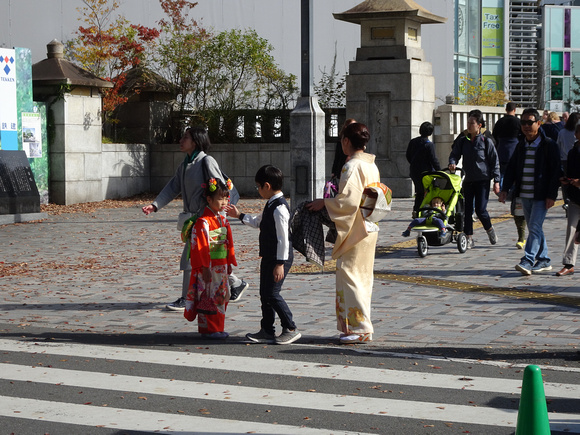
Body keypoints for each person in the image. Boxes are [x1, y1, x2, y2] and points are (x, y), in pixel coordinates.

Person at [142, 126, 248, 311]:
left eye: (185, 137)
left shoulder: (207, 161)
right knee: (209, 258)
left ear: (196, 141)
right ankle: (235, 283)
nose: (181, 140)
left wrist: (218, 217)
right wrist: (155, 205)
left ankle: (186, 298)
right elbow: (173, 187)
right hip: (195, 221)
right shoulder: (184, 165)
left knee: (191, 257)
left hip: (207, 220)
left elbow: (220, 191)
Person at [306, 122, 380, 344]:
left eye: (342, 140)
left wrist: (325, 202)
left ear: (346, 141)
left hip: (355, 227)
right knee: (362, 276)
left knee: (350, 274)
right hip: (368, 224)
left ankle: (360, 327)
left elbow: (347, 202)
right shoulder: (370, 165)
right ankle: (356, 325)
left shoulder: (352, 167)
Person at [226, 165, 301, 345]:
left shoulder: (279, 208)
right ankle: (267, 329)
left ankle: (290, 328)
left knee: (272, 294)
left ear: (266, 186)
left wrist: (280, 263)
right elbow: (259, 221)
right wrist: (240, 215)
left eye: (257, 186)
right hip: (269, 256)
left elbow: (284, 239)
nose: (258, 190)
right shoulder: (271, 204)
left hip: (278, 258)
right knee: (264, 294)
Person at [499, 108, 562, 275]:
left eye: (530, 122)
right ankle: (544, 260)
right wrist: (505, 189)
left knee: (534, 226)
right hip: (524, 194)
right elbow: (512, 168)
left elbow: (556, 171)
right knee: (536, 228)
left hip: (541, 195)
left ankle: (527, 260)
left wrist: (552, 195)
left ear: (538, 123)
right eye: (523, 123)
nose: (526, 126)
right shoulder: (521, 145)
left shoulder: (549, 145)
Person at [184, 178, 236, 339]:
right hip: (209, 265)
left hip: (220, 264)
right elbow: (201, 247)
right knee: (213, 297)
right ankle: (213, 329)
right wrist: (204, 267)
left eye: (226, 198)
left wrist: (229, 262)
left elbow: (227, 243)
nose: (224, 202)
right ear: (209, 199)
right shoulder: (203, 222)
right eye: (220, 198)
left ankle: (209, 328)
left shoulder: (222, 220)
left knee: (219, 296)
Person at [448, 111, 500, 249]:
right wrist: (452, 162)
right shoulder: (463, 141)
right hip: (468, 179)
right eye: (468, 123)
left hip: (483, 180)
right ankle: (469, 237)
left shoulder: (486, 141)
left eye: (472, 123)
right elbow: (454, 154)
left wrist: (496, 181)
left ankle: (489, 229)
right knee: (467, 210)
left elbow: (494, 161)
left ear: (479, 126)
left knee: (481, 209)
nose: (469, 126)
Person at [492, 102, 526, 249]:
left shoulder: (500, 121)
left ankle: (502, 192)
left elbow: (494, 136)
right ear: (515, 110)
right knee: (515, 179)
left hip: (502, 150)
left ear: (506, 109)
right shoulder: (518, 122)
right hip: (514, 149)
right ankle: (511, 194)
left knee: (503, 173)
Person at [556, 123, 580, 276]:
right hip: (575, 197)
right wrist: (567, 180)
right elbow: (569, 171)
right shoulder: (573, 152)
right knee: (571, 229)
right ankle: (569, 263)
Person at [406, 121, 441, 216]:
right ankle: (428, 210)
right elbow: (434, 159)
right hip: (426, 173)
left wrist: (413, 164)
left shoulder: (413, 142)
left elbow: (408, 155)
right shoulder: (429, 145)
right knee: (429, 192)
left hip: (414, 171)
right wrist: (440, 171)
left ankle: (416, 210)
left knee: (419, 192)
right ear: (430, 132)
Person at [556, 112, 580, 210]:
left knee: (567, 182)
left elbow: (558, 145)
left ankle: (567, 200)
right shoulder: (575, 132)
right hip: (573, 157)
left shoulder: (562, 132)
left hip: (564, 159)